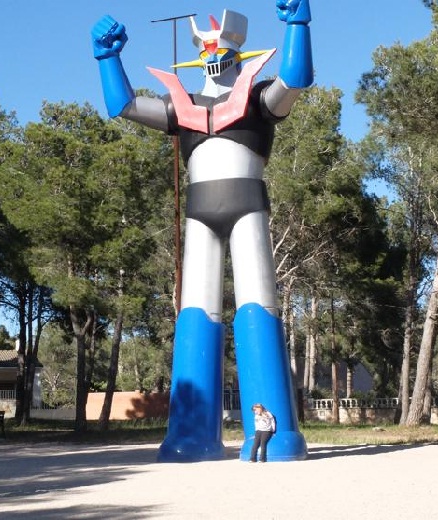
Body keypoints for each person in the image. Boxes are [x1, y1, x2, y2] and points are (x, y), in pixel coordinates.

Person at [92, 1, 312, 462]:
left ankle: (272, 435)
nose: (213, 50)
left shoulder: (255, 96)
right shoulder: (183, 106)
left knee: (256, 307)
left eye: (221, 43)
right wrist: (107, 59)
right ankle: (192, 436)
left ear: (236, 49)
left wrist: (297, 24)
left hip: (248, 205)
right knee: (195, 310)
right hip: (199, 215)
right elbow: (125, 105)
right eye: (206, 44)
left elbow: (294, 79)